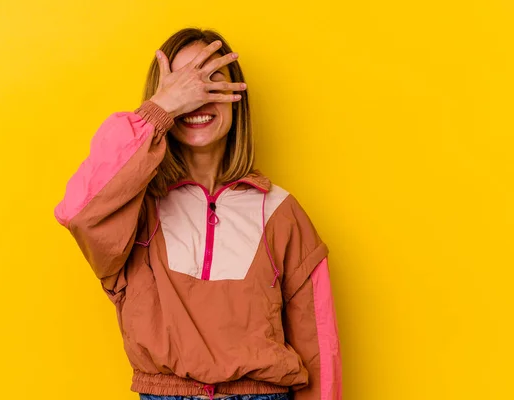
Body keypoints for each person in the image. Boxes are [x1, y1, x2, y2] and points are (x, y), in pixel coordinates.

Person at [54, 28, 342, 400]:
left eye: (211, 82)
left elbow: (318, 340)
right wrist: (160, 111)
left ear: (237, 99)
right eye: (183, 83)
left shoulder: (280, 210)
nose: (197, 97)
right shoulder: (133, 209)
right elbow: (79, 212)